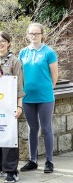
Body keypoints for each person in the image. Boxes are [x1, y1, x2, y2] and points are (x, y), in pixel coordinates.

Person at [19, 23, 58, 173]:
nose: (34, 36)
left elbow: (54, 75)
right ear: (27, 35)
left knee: (46, 128)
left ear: (42, 34)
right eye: (31, 33)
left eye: (36, 33)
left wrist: (48, 89)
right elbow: (21, 74)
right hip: (28, 97)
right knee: (32, 129)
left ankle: (49, 161)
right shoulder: (23, 52)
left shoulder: (49, 52)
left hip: (45, 97)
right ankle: (32, 160)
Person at [0, 31, 24, 183]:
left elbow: (20, 85)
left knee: (9, 138)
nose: (0, 43)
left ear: (9, 43)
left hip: (9, 106)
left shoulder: (15, 61)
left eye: (3, 41)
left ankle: (11, 171)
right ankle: (0, 167)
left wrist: (19, 105)